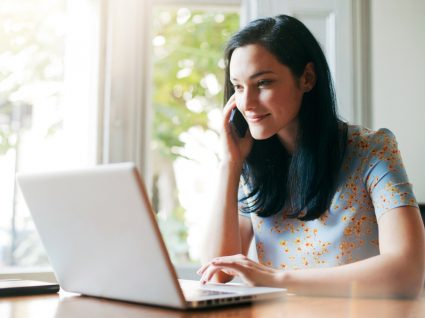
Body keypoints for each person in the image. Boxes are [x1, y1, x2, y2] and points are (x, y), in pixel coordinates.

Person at [197, 15, 425, 298]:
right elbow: (215, 273)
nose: (247, 103)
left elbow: (408, 272)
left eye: (263, 83)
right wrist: (229, 165)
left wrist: (280, 279)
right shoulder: (255, 167)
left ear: (307, 78)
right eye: (239, 87)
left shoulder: (372, 150)